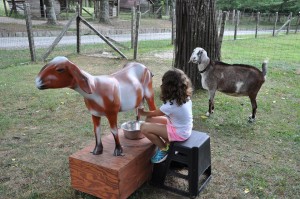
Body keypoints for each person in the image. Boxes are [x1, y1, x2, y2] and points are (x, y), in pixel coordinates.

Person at [138, 68, 193, 164]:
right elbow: (154, 115)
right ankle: (168, 141)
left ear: (168, 87)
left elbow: (156, 113)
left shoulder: (171, 105)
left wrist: (142, 112)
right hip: (183, 127)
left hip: (179, 133)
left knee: (143, 127)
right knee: (149, 120)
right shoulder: (185, 96)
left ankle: (164, 148)